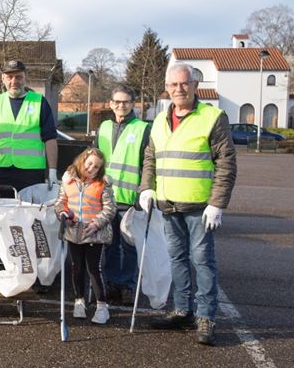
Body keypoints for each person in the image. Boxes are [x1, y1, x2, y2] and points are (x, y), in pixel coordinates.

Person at [140, 62, 237, 346]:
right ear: (166, 88)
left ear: (195, 86)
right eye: (173, 85)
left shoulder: (212, 117)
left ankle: (206, 317)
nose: (179, 90)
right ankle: (182, 310)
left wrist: (217, 203)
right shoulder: (159, 120)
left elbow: (226, 163)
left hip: (199, 206)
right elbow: (150, 158)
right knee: (177, 259)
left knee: (203, 261)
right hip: (168, 205)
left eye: (184, 84)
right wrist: (147, 188)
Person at [95, 85, 150, 305]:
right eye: (117, 102)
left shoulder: (142, 128)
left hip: (130, 199)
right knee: (108, 245)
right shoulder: (104, 127)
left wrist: (144, 191)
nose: (121, 105)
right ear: (111, 104)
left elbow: (148, 163)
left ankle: (127, 285)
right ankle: (111, 284)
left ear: (133, 104)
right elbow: (95, 160)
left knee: (128, 247)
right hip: (105, 198)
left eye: (126, 102)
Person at [0, 59, 58, 193]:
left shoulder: (39, 102)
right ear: (3, 79)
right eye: (9, 77)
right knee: (4, 213)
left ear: (25, 78)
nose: (14, 81)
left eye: (18, 77)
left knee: (30, 213)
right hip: (2, 172)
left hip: (32, 174)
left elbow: (50, 138)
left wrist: (52, 171)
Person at [55, 147, 116, 324]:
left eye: (96, 167)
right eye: (89, 164)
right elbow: (60, 203)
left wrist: (97, 223)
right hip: (74, 233)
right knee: (76, 267)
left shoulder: (103, 184)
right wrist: (63, 214)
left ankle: (102, 307)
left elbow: (110, 208)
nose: (91, 169)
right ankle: (79, 301)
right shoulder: (68, 180)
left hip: (94, 234)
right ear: (82, 161)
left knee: (93, 270)